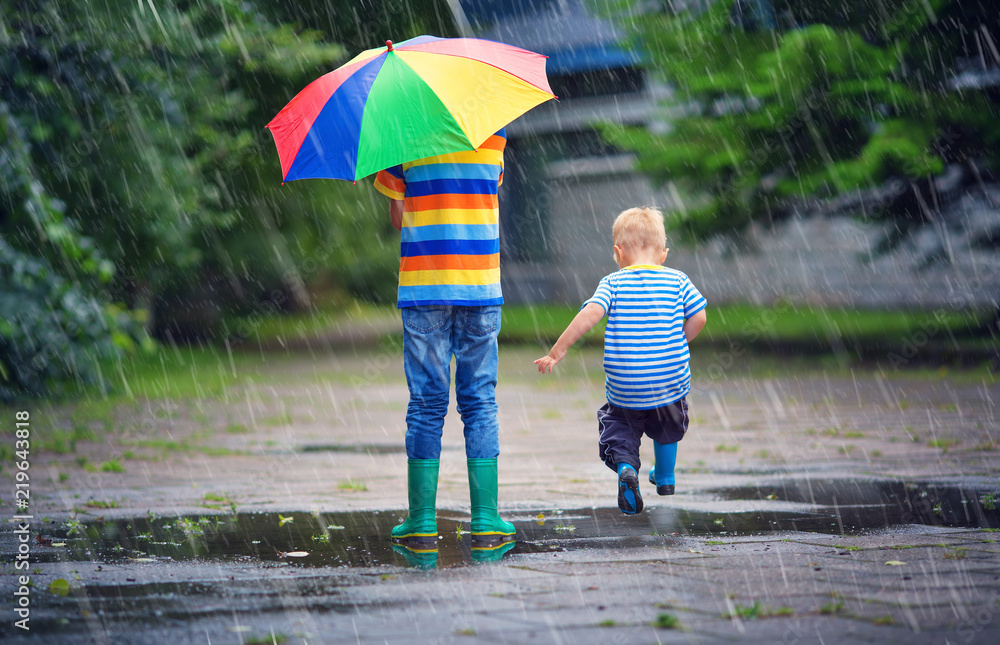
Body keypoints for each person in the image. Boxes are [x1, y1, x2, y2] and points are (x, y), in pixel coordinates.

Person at [373, 129, 515, 544]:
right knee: (479, 400)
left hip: (425, 287)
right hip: (479, 285)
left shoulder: (400, 136)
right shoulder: (493, 134)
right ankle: (486, 517)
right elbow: (486, 196)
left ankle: (421, 519)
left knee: (426, 402)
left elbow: (400, 220)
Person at [535, 207, 707, 514]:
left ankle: (627, 468)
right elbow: (699, 317)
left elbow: (589, 315)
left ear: (618, 252)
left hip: (627, 384)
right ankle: (666, 476)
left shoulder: (613, 283)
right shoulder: (678, 280)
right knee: (668, 424)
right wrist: (681, 339)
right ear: (663, 254)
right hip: (670, 380)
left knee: (622, 426)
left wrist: (557, 350)